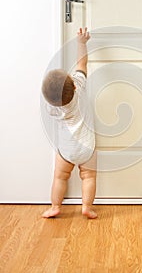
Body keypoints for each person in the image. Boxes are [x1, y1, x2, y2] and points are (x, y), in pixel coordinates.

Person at [41, 27, 97, 219]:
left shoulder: (52, 108)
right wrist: (82, 43)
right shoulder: (79, 87)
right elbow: (82, 64)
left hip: (66, 150)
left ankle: (55, 206)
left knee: (59, 176)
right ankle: (87, 207)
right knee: (88, 177)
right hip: (87, 148)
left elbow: (53, 102)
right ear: (73, 84)